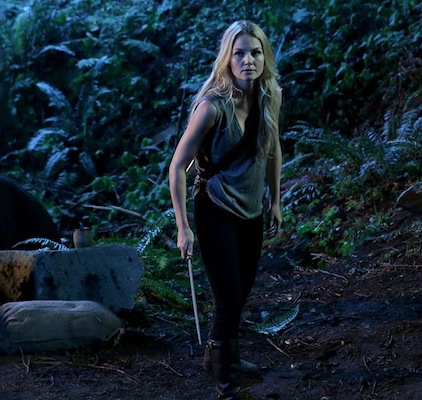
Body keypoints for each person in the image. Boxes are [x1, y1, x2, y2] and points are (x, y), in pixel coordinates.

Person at [168, 20, 282, 399]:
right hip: (215, 210)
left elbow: (273, 149)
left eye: (255, 53)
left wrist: (276, 201)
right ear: (227, 59)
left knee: (241, 292)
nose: (248, 60)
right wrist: (183, 227)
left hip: (251, 211)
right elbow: (177, 166)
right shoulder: (212, 108)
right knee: (228, 297)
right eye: (240, 53)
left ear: (264, 57)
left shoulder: (269, 96)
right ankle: (227, 383)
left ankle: (219, 355)